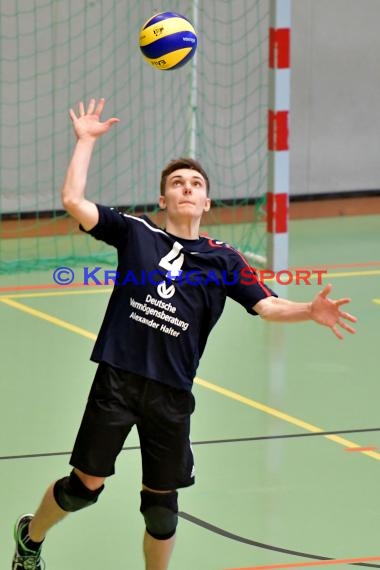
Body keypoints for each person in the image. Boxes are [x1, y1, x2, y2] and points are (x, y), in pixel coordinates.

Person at [12, 98, 357, 570]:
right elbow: (74, 201)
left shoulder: (224, 259)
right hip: (118, 380)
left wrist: (309, 310)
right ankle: (30, 537)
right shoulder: (137, 233)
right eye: (177, 183)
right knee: (83, 488)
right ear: (164, 199)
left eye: (196, 184)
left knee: (161, 508)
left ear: (207, 201)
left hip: (171, 393)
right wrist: (86, 142)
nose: (187, 189)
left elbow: (268, 305)